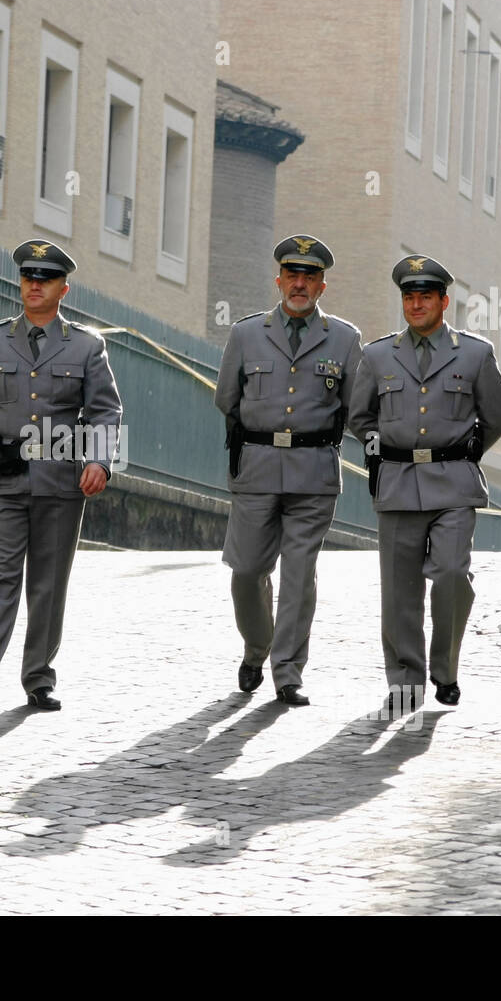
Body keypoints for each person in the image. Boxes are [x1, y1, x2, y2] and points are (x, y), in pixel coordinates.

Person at [0, 240, 123, 713]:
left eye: (44, 280)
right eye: (28, 278)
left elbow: (105, 412)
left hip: (60, 485)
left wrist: (100, 462)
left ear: (64, 288)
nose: (34, 286)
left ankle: (39, 679)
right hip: (1, 481)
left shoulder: (87, 346)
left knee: (47, 584)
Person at [348, 254, 501, 713]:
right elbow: (360, 416)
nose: (416, 305)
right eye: (409, 297)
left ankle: (446, 669)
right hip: (397, 482)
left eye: (425, 297)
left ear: (443, 301)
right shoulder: (378, 356)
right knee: (399, 592)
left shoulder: (476, 354)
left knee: (452, 576)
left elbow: (494, 419)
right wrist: (378, 444)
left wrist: (464, 452)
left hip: (454, 484)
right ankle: (405, 680)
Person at [213, 234, 362, 706]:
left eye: (310, 277)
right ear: (279, 281)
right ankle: (257, 647)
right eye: (292, 275)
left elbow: (354, 406)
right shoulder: (246, 333)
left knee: (299, 573)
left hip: (313, 471)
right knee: (247, 570)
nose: (299, 284)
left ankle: (288, 671)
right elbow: (227, 400)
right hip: (256, 468)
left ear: (322, 286)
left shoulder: (344, 338)